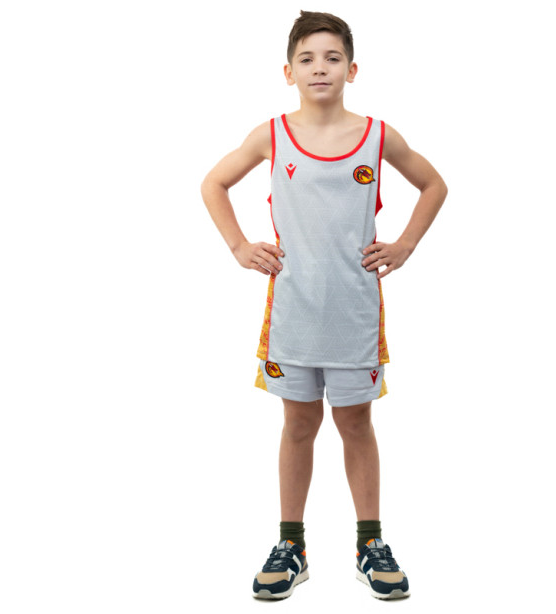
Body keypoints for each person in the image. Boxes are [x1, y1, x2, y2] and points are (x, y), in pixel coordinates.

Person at [201, 10, 447, 600]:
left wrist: (406, 244)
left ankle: (370, 544)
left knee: (356, 424)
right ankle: (291, 545)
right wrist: (238, 245)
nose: (320, 68)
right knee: (298, 425)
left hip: (355, 313)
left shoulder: (378, 136)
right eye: (307, 59)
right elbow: (213, 183)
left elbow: (434, 184)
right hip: (293, 311)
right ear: (288, 72)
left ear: (352, 69)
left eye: (332, 58)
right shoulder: (272, 134)